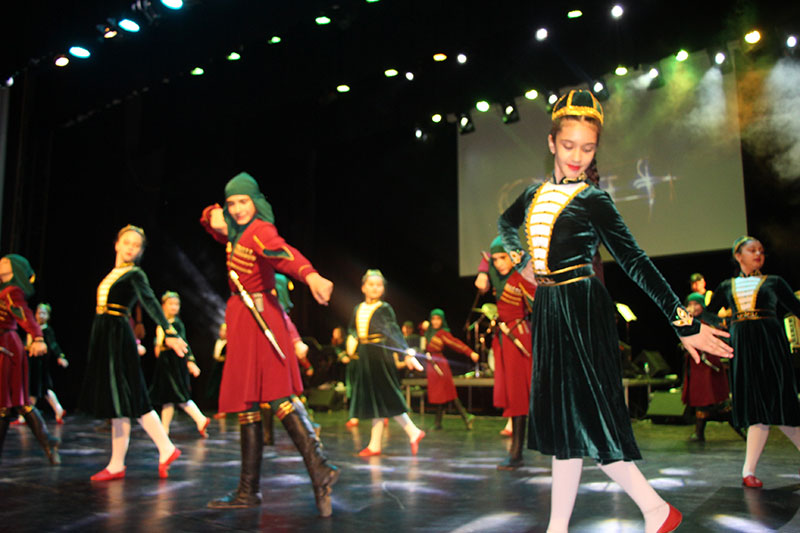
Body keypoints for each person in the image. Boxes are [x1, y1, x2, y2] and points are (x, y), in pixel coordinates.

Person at [497, 89, 733, 533]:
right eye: (569, 146)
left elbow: (636, 261)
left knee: (590, 420)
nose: (577, 157)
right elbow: (507, 223)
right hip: (549, 309)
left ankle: (655, 510)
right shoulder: (532, 193)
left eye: (587, 149)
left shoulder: (594, 201)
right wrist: (520, 258)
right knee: (565, 427)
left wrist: (683, 322)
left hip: (582, 309)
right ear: (551, 142)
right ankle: (564, 526)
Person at [200, 172, 338, 516]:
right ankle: (250, 490)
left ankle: (319, 467)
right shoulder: (236, 232)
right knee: (248, 402)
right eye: (232, 203)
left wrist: (311, 275)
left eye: (243, 201)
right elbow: (211, 221)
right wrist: (215, 214)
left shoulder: (259, 230)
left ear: (256, 202)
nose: (237, 209)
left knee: (278, 395)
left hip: (261, 320)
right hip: (243, 321)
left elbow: (283, 254)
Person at [79, 226, 187, 481]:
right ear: (117, 244)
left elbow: (150, 301)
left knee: (128, 396)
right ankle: (128, 460)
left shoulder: (135, 274)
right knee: (121, 400)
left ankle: (162, 449)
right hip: (107, 334)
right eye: (126, 242)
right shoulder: (114, 273)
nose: (130, 248)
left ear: (140, 252)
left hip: (117, 335)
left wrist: (168, 331)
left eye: (136, 245)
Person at [706, 236, 800, 488]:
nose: (758, 254)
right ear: (738, 256)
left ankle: (748, 471)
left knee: (780, 403)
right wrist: (723, 326)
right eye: (752, 250)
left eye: (761, 250)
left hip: (770, 344)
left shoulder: (774, 282)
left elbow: (797, 307)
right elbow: (709, 313)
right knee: (756, 409)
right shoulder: (727, 286)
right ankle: (748, 472)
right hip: (744, 347)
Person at [344, 269, 425, 456]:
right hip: (365, 354)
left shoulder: (384, 308)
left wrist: (406, 352)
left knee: (386, 394)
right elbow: (352, 328)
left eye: (379, 285)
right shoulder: (358, 308)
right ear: (363, 287)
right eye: (371, 285)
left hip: (380, 354)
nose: (375, 288)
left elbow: (393, 331)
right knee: (376, 399)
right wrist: (352, 339)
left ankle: (412, 431)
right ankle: (377, 444)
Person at [0, 254, 60, 464]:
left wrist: (37, 337)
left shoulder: (12, 292)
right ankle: (48, 440)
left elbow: (25, 315)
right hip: (4, 345)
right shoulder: (4, 290)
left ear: (14, 269)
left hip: (7, 347)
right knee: (10, 403)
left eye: (5, 262)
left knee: (11, 401)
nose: (0, 262)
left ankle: (48, 440)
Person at [484, 237, 536, 469]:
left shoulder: (521, 277)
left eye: (503, 258)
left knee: (520, 396)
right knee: (514, 396)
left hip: (519, 338)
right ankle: (516, 452)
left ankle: (516, 453)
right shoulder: (500, 277)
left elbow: (538, 302)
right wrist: (483, 271)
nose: (498, 263)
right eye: (495, 259)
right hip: (505, 338)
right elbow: (485, 260)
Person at [680, 293, 742, 442]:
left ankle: (740, 427)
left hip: (709, 364)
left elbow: (724, 336)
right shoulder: (688, 321)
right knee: (701, 400)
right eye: (690, 304)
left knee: (715, 399)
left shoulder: (711, 320)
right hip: (696, 365)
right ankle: (699, 433)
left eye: (696, 304)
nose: (693, 307)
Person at [149, 291, 210, 438]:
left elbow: (182, 342)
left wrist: (190, 361)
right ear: (163, 306)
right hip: (165, 363)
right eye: (171, 304)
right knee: (168, 398)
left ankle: (200, 418)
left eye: (176, 304)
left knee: (178, 395)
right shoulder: (163, 323)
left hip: (174, 362)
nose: (174, 307)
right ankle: (164, 429)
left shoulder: (176, 324)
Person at [424, 309, 479, 431]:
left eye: (438, 319)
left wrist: (470, 353)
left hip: (440, 366)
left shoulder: (443, 333)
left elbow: (456, 344)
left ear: (442, 320)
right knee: (440, 394)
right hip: (431, 365)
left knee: (448, 392)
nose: (435, 322)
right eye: (433, 319)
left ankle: (466, 416)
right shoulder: (429, 332)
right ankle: (438, 422)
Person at [27, 303, 68, 424]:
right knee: (35, 390)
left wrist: (60, 356)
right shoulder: (32, 329)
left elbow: (53, 345)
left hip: (40, 365)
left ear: (48, 316)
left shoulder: (47, 330)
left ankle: (27, 416)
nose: (41, 315)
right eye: (39, 313)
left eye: (44, 313)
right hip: (32, 363)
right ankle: (25, 416)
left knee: (40, 389)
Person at [206, 323, 227, 419]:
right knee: (218, 389)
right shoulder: (218, 341)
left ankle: (224, 410)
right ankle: (221, 409)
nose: (222, 333)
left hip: (224, 369)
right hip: (218, 369)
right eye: (221, 330)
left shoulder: (228, 343)